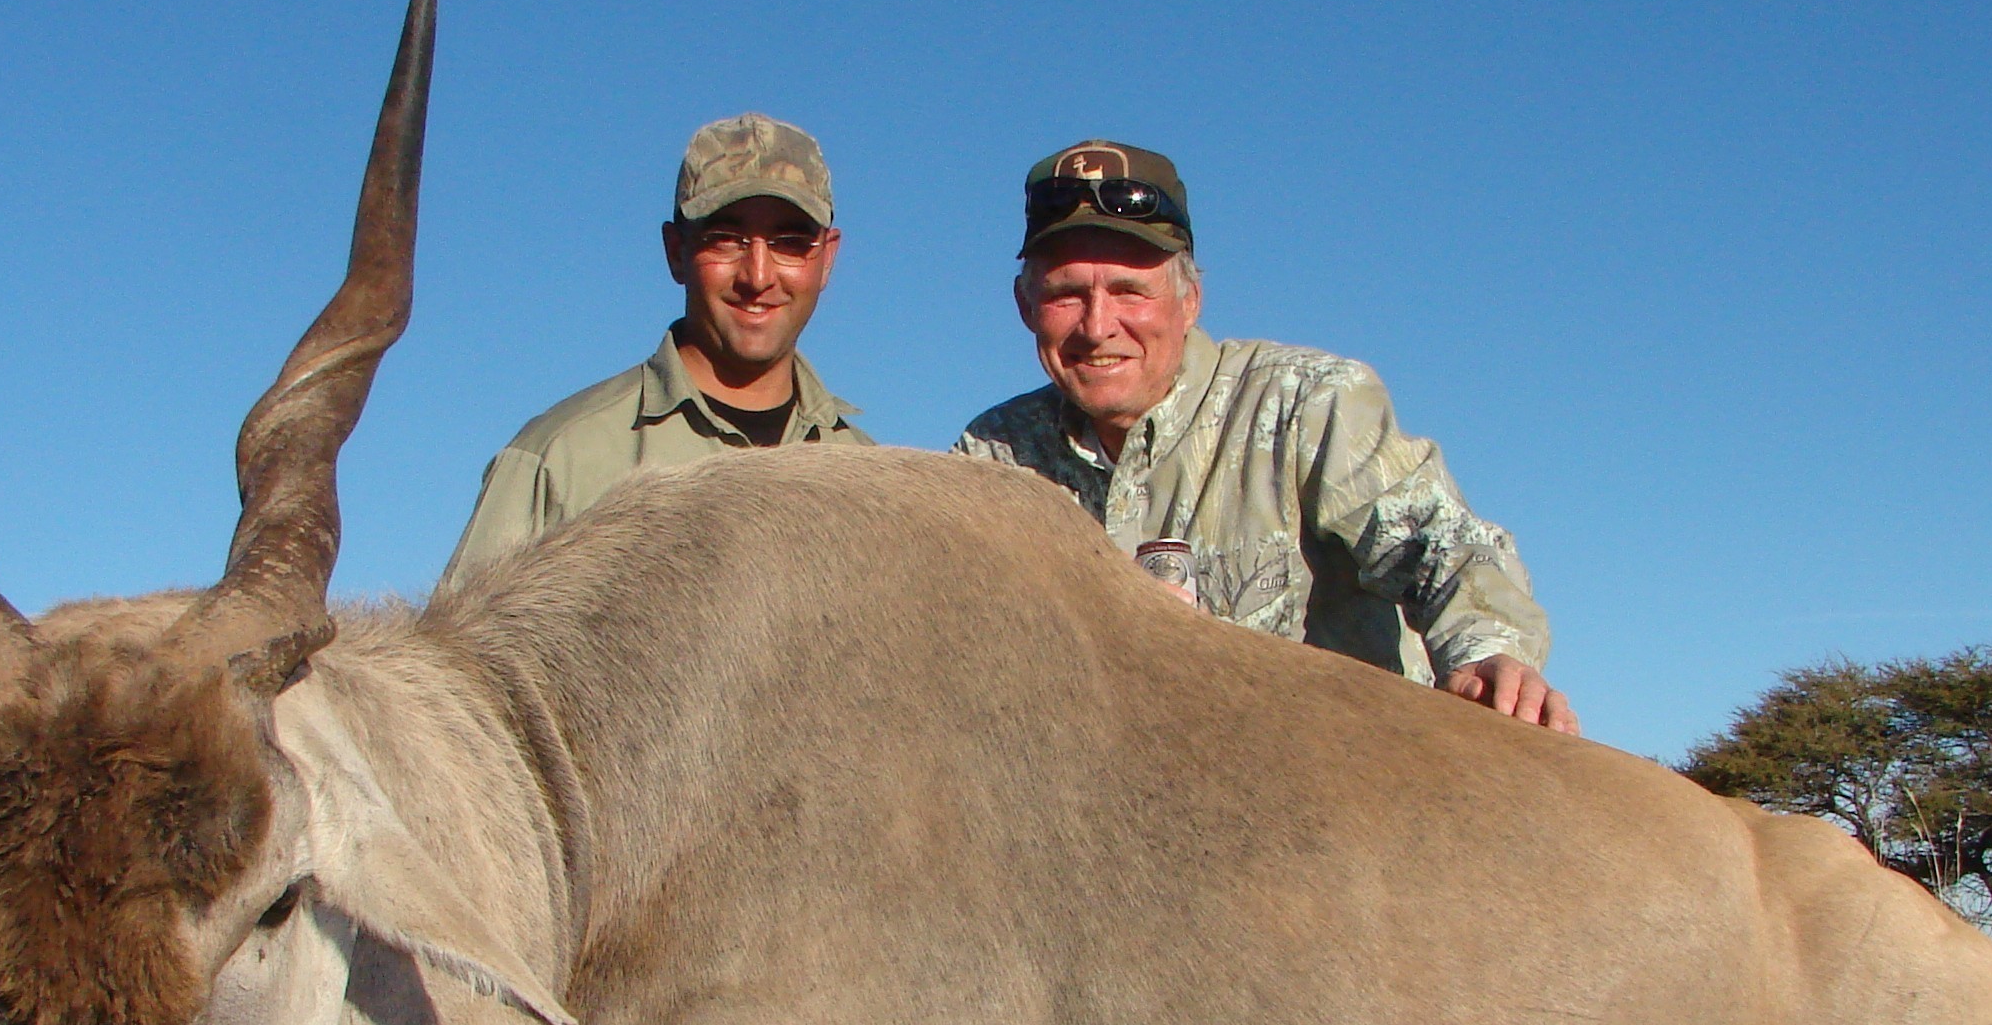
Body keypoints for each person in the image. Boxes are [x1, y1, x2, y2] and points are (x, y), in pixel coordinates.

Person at [952, 140, 1577, 733]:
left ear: (1189, 299)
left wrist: (1488, 653)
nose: (1098, 326)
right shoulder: (992, 455)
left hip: (1342, 780)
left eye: (1129, 291)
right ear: (1025, 305)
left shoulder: (1309, 401)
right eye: (1066, 295)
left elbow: (1443, 544)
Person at [440, 114, 872, 586]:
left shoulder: (873, 484)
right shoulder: (559, 459)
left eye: (790, 243)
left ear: (826, 259)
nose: (758, 276)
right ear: (675, 251)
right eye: (725, 239)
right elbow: (463, 658)